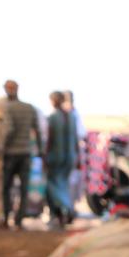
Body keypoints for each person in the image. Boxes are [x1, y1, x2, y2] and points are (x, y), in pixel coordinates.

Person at [0, 80, 41, 229]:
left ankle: (6, 218)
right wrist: (41, 150)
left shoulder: (7, 108)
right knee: (24, 188)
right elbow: (37, 131)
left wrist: (1, 147)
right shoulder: (29, 108)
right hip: (26, 153)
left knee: (6, 187)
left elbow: (9, 129)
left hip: (11, 153)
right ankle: (19, 220)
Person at [45, 91, 77, 228]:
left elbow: (50, 139)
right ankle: (63, 212)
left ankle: (66, 208)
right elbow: (75, 139)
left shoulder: (53, 117)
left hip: (56, 157)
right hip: (70, 156)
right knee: (62, 184)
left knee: (53, 185)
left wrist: (45, 155)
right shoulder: (71, 116)